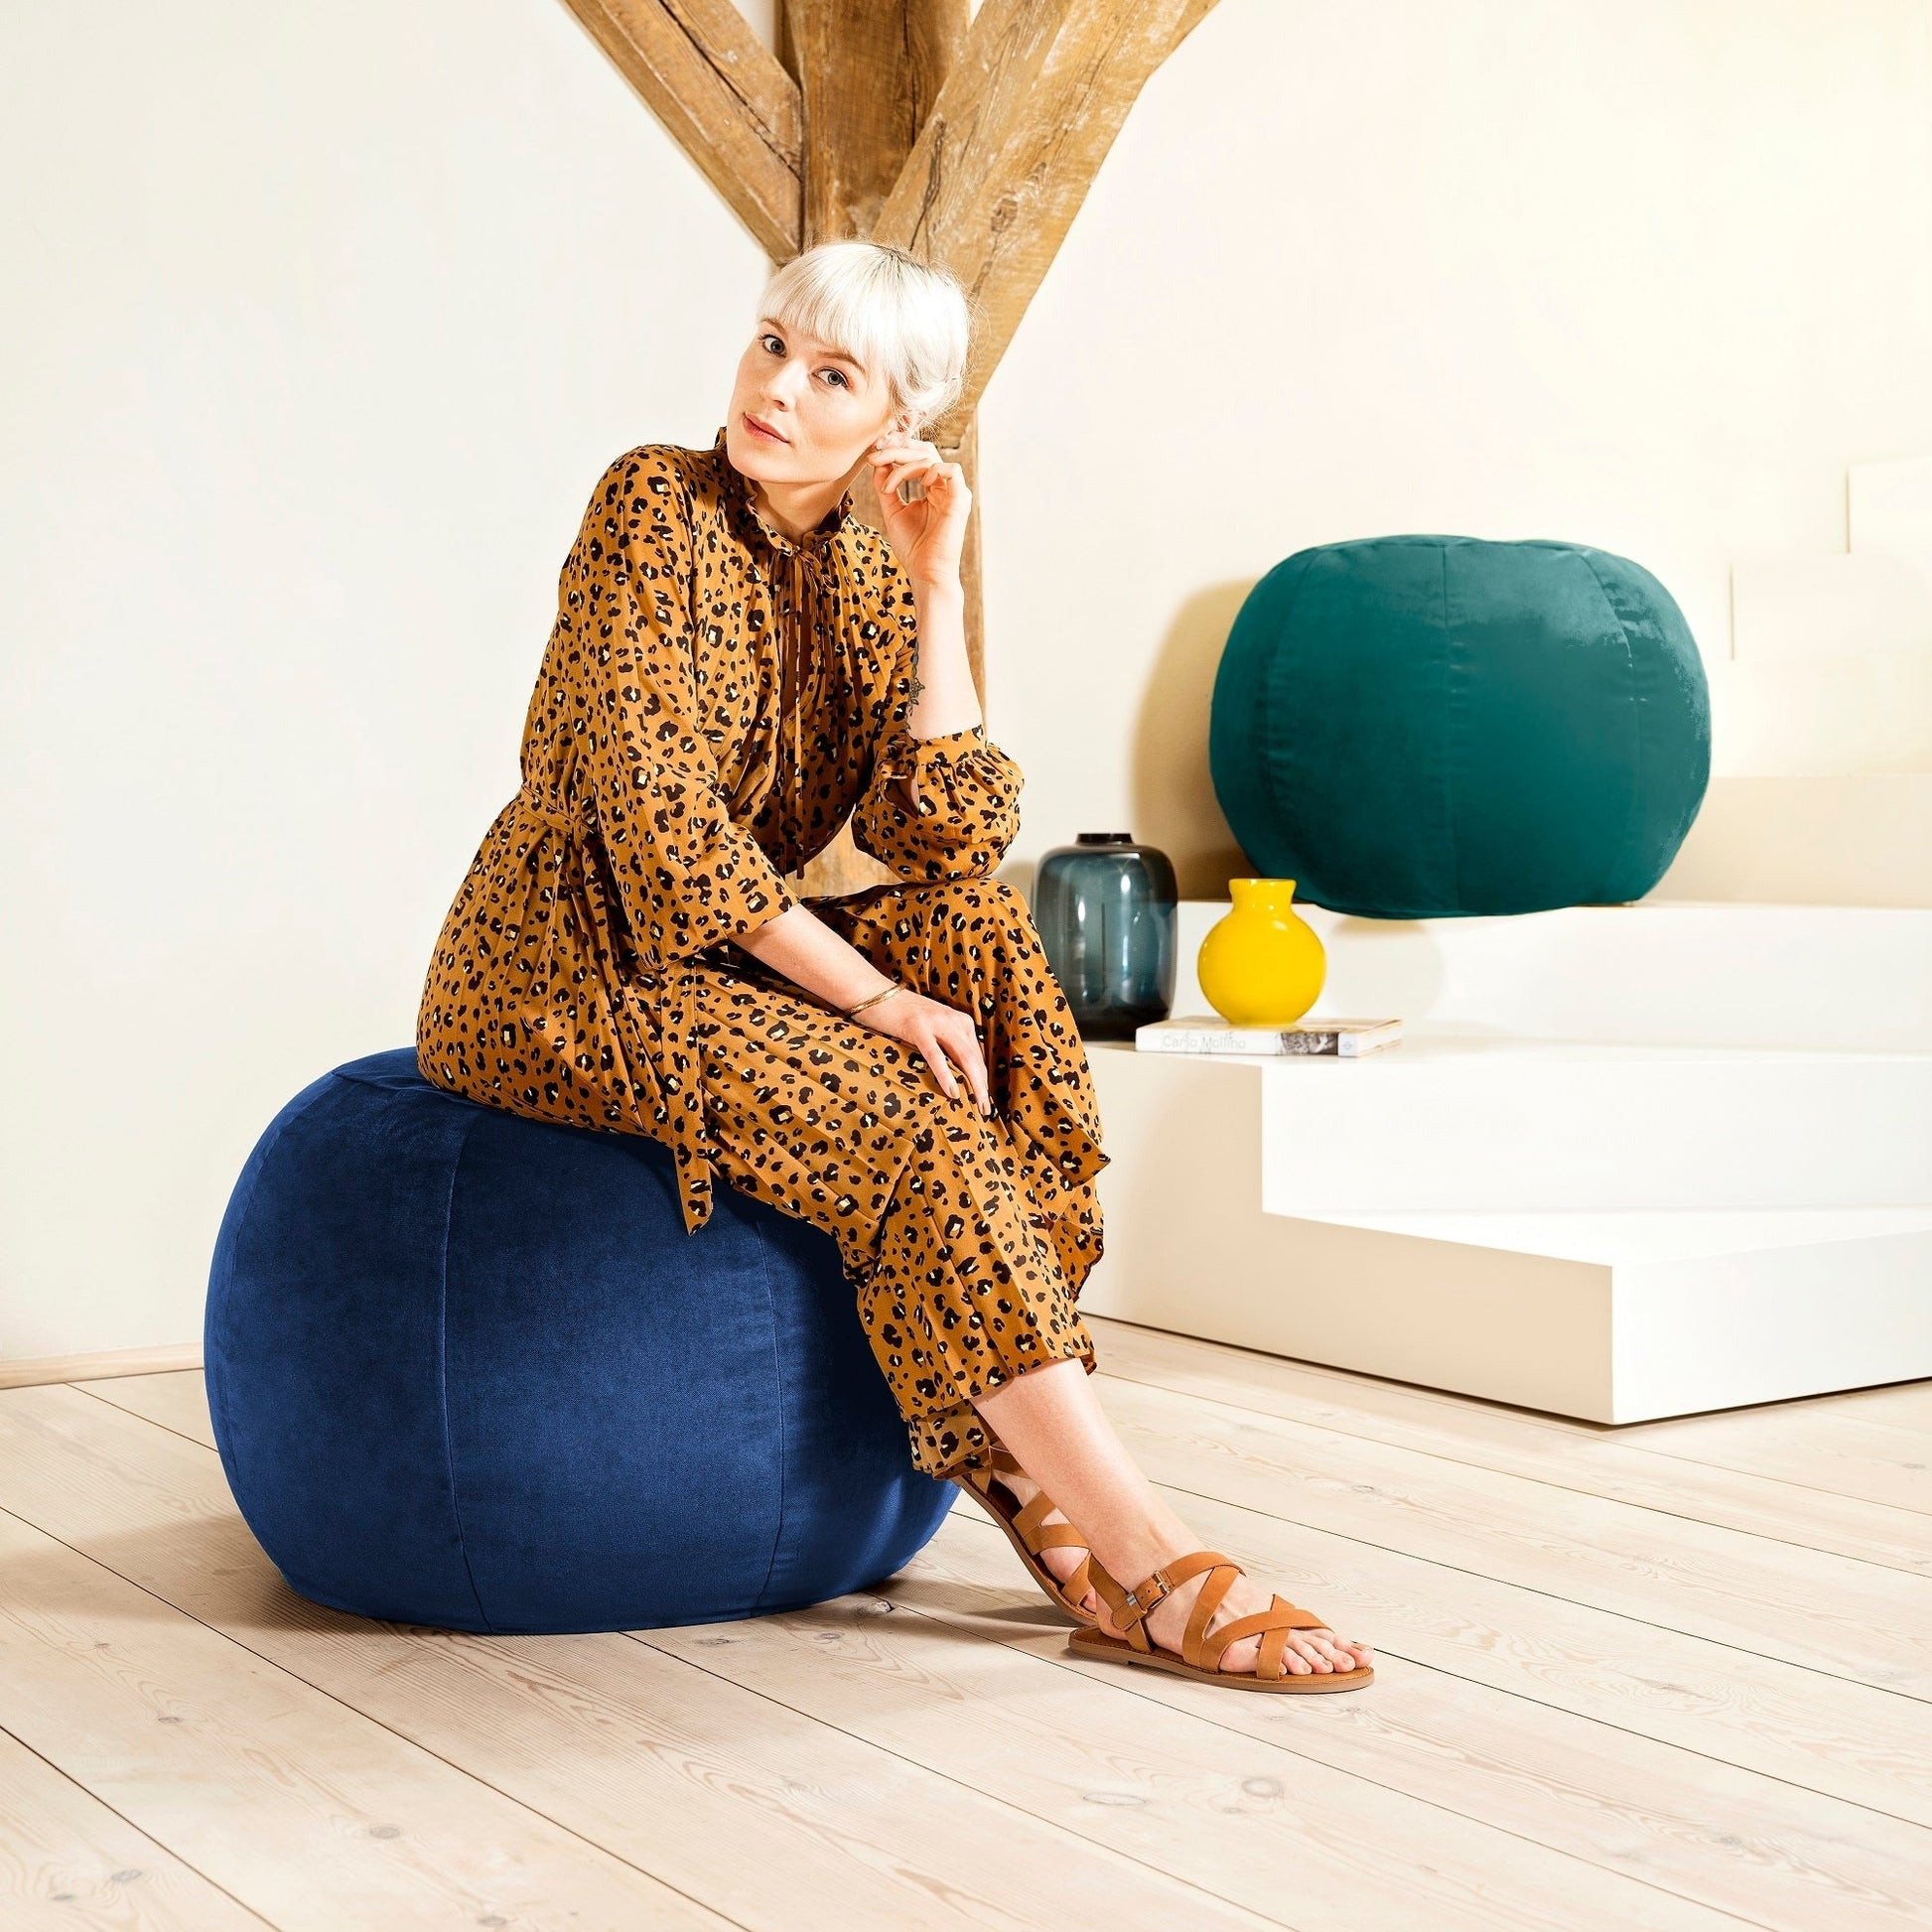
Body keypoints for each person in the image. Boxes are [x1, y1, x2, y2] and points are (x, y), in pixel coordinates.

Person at [416, 239, 1372, 1690]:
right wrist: (866, 995)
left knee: (982, 937)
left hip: (722, 962)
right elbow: (662, 828)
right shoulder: (647, 505)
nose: (776, 389)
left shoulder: (867, 565)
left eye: (831, 373)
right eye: (769, 345)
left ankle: (1028, 1460)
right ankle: (1135, 1539)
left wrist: (935, 585)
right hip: (565, 962)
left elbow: (946, 827)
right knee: (909, 1105)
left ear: (895, 420)